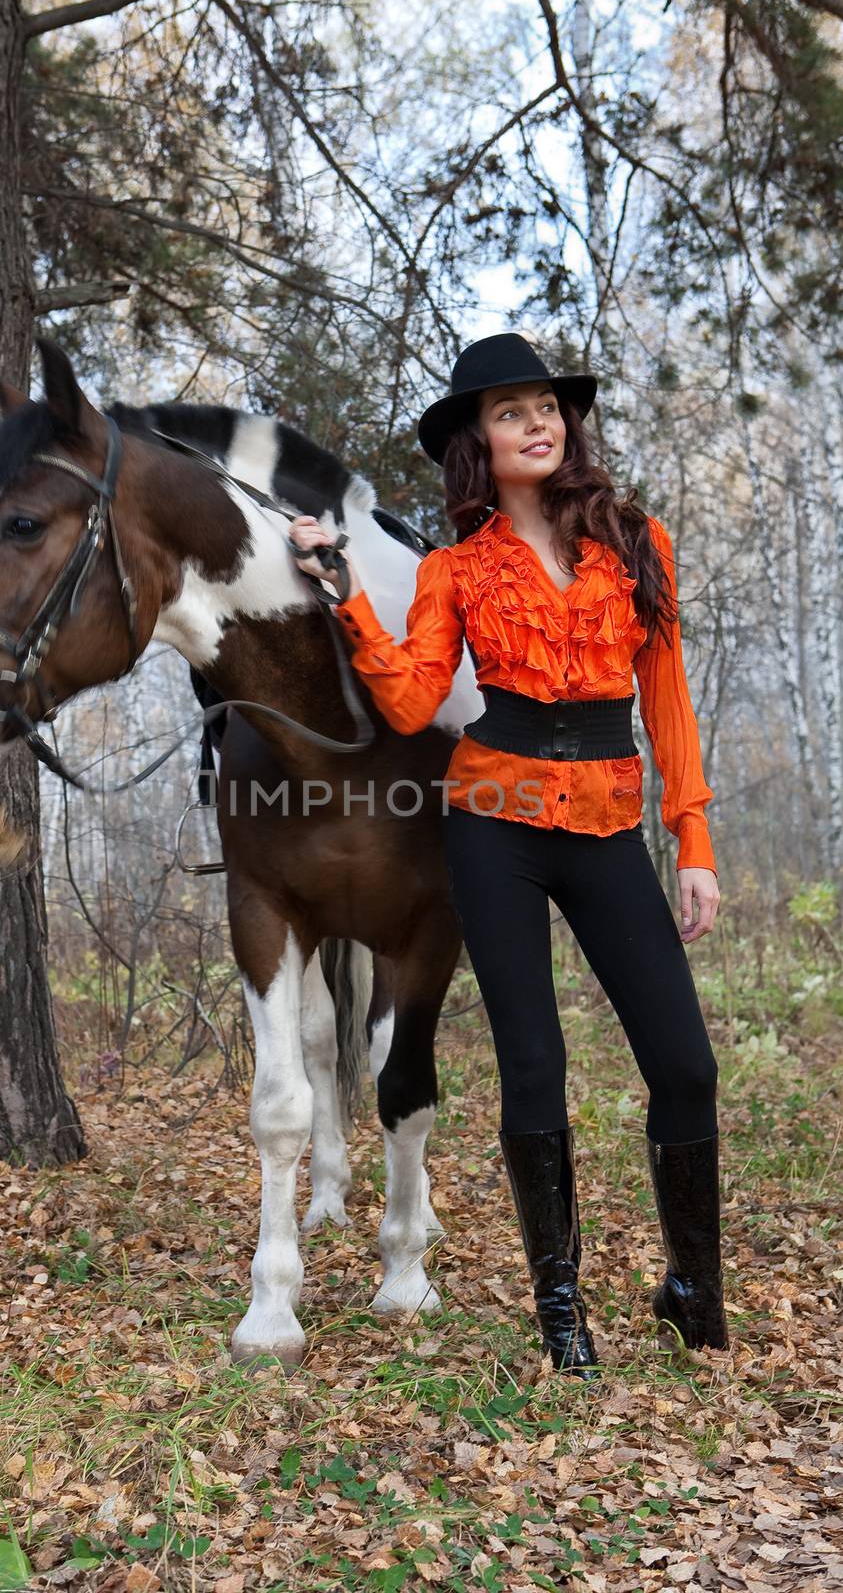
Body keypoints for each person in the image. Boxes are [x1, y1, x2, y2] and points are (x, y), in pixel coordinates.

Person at [287, 332, 728, 1377]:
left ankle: (692, 1291)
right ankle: (560, 1312)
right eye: (508, 411)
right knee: (533, 1060)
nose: (536, 422)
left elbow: (664, 700)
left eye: (546, 407)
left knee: (684, 1063)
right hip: (492, 819)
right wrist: (346, 591)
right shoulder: (455, 569)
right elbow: (408, 693)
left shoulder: (635, 542)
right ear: (475, 444)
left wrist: (692, 837)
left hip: (610, 819)